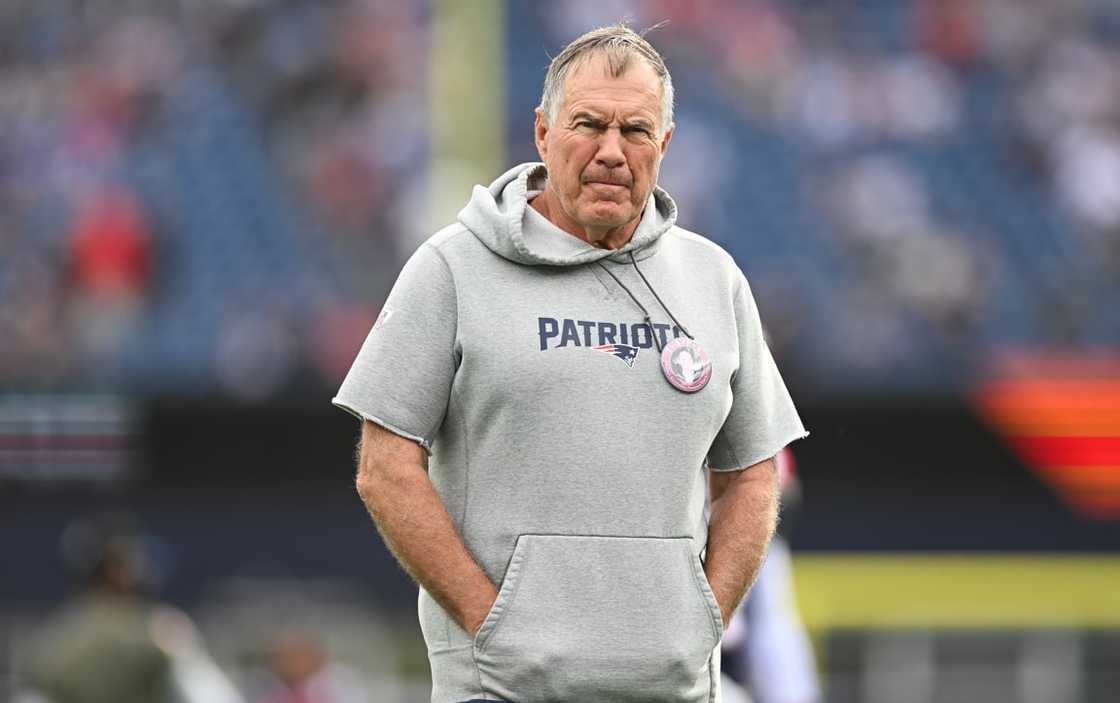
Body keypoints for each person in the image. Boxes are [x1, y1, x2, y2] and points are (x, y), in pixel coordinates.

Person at [333, 23, 807, 703]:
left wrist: (703, 620)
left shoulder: (715, 279)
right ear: (543, 133)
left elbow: (754, 474)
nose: (613, 151)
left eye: (637, 131)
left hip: (675, 690)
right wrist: (487, 618)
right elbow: (384, 467)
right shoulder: (452, 268)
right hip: (501, 690)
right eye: (589, 124)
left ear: (665, 145)